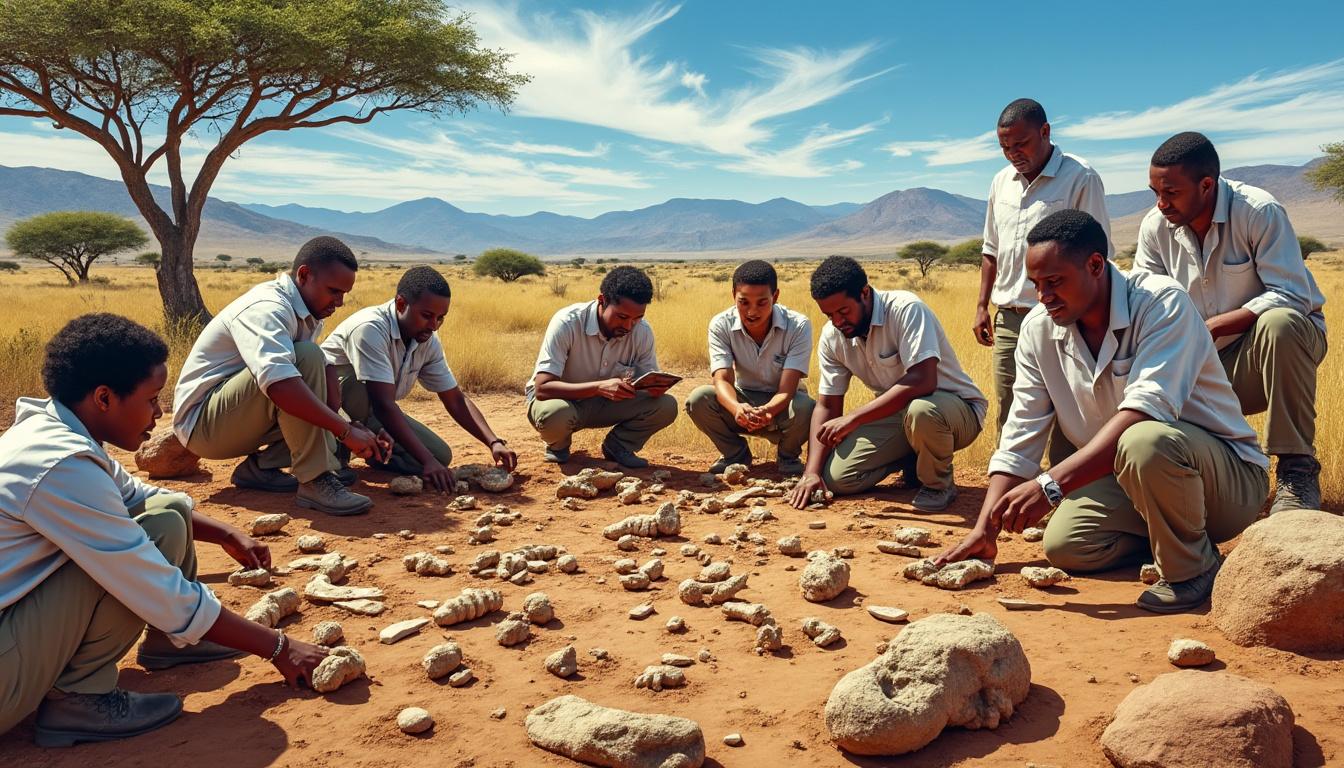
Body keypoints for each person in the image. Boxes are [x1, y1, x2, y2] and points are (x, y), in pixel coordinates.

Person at [0, 314, 328, 747]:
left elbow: (139, 497)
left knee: (167, 510)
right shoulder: (61, 465)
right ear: (103, 398)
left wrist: (227, 534)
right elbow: (148, 581)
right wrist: (279, 646)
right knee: (138, 551)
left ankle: (172, 644)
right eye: (153, 399)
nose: (159, 413)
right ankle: (76, 700)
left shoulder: (59, 432)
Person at [937, 210, 1269, 613]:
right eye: (1036, 285)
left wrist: (1050, 486)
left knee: (1143, 439)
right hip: (1133, 480)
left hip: (1224, 482)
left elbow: (1146, 413)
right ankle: (1173, 539)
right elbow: (1020, 434)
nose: (1043, 297)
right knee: (1067, 546)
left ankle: (1193, 570)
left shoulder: (1161, 303)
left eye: (1054, 282)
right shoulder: (1039, 329)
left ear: (1095, 265)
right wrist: (984, 528)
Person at [1133, 131, 1327, 513]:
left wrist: (1215, 326)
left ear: (1206, 185)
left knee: (1281, 323)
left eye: (1170, 192)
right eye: (1154, 191)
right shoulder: (1154, 227)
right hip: (1202, 360)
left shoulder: (1258, 211)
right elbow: (1145, 301)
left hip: (1268, 352)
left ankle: (1296, 471)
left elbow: (1292, 293)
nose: (1160, 203)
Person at [172, 236, 388, 516]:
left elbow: (323, 375)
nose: (340, 301)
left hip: (239, 419)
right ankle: (315, 481)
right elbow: (281, 386)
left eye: (344, 293)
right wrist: (345, 432)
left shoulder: (307, 311)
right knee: (305, 358)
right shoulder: (268, 308)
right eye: (333, 291)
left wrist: (347, 426)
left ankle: (260, 469)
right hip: (204, 425)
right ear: (304, 275)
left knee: (316, 367)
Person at [789, 256, 986, 512]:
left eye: (843, 311)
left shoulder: (906, 308)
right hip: (898, 415)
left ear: (864, 293)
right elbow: (827, 405)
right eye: (829, 314)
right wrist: (811, 472)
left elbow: (923, 380)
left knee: (922, 410)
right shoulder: (832, 337)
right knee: (839, 479)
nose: (837, 322)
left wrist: (855, 418)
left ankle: (938, 485)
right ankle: (913, 458)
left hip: (953, 411)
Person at [973, 98, 1112, 432]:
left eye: (1021, 143)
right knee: (1011, 411)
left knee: (1071, 410)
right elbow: (991, 248)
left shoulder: (1080, 177)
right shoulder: (1000, 181)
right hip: (1009, 317)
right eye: (1004, 147)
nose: (1013, 153)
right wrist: (981, 305)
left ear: (1045, 131)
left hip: (1061, 314)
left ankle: (1069, 483)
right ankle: (1010, 482)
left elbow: (1097, 252)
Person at [321, 266, 517, 490]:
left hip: (373, 410)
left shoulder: (427, 339)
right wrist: (427, 462)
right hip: (331, 409)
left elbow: (455, 399)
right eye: (427, 316)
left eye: (441, 318)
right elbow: (383, 405)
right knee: (357, 386)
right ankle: (336, 451)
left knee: (440, 455)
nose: (434, 326)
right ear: (401, 304)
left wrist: (493, 441)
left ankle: (373, 449)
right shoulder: (371, 328)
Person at [527, 266, 677, 469]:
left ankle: (619, 446)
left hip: (606, 403)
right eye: (622, 317)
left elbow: (648, 378)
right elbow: (542, 388)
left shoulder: (642, 332)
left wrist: (654, 388)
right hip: (561, 402)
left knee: (666, 406)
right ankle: (558, 445)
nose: (629, 326)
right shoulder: (567, 322)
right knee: (554, 415)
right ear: (602, 301)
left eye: (637, 318)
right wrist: (599, 387)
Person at [684, 260, 815, 475]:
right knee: (698, 399)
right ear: (733, 295)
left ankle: (789, 457)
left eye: (762, 302)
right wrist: (736, 408)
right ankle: (735, 455)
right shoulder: (721, 324)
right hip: (743, 399)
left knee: (806, 407)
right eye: (743, 302)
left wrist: (768, 411)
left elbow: (787, 389)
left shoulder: (798, 325)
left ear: (776, 296)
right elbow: (722, 379)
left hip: (784, 403)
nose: (752, 311)